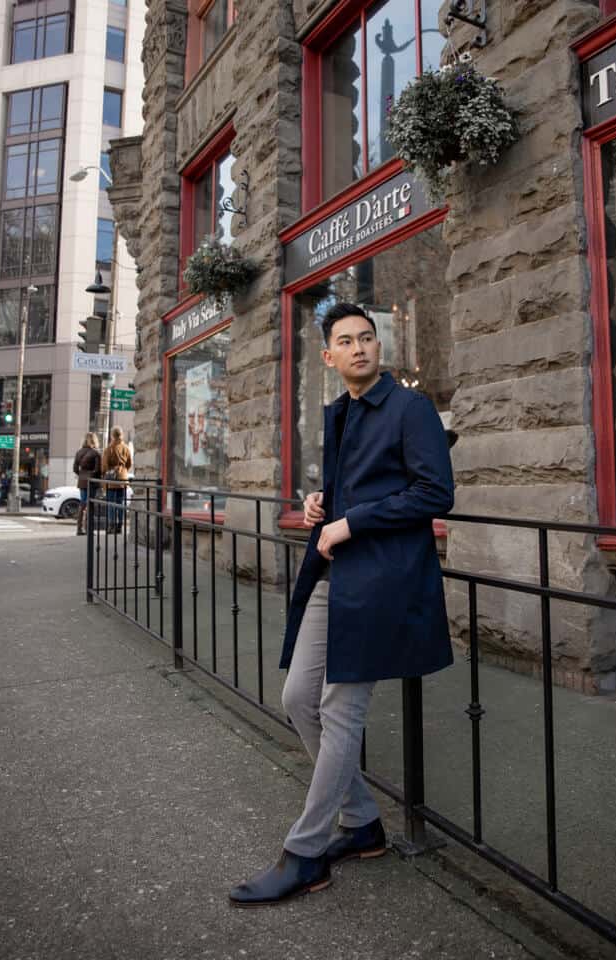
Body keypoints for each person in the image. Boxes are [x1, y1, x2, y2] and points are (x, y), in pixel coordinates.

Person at [229, 302, 455, 907]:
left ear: (378, 346)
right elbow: (350, 489)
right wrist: (319, 505)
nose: (359, 348)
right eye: (346, 342)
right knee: (298, 697)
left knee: (340, 708)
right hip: (335, 574)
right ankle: (363, 822)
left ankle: (305, 854)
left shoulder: (411, 409)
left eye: (367, 338)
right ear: (329, 358)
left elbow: (437, 492)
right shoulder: (339, 413)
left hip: (381, 581)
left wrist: (352, 523)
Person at [101, 426, 132, 534]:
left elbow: (104, 466)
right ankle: (120, 526)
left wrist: (107, 471)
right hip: (123, 479)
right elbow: (129, 464)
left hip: (112, 480)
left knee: (111, 503)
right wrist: (123, 471)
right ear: (121, 435)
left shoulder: (109, 449)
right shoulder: (126, 448)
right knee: (120, 503)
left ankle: (111, 526)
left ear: (112, 435)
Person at [72, 432, 101, 535]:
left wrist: (82, 474)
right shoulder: (96, 453)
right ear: (94, 440)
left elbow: (75, 469)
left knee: (82, 504)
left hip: (82, 481)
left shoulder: (79, 452)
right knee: (90, 504)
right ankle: (88, 528)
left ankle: (79, 529)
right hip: (92, 482)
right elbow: (98, 470)